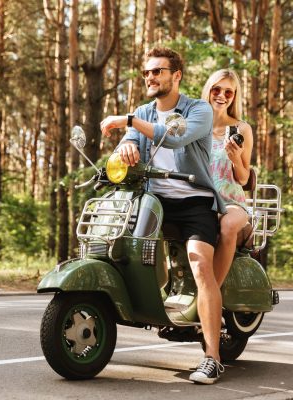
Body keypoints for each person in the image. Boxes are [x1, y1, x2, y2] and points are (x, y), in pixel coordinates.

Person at [100, 47, 226, 384]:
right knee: (114, 244)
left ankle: (212, 357)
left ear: (176, 75)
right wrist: (124, 146)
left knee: (200, 263)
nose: (151, 77)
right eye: (147, 73)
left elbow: (175, 136)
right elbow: (128, 141)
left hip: (194, 201)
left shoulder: (198, 109)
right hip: (152, 201)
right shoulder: (142, 110)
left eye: (158, 71)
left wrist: (129, 121)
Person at [202, 70, 253, 286]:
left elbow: (242, 179)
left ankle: (211, 294)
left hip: (231, 202)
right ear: (208, 91)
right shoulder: (196, 126)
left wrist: (235, 158)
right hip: (201, 200)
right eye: (216, 89)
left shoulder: (240, 129)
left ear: (234, 97)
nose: (221, 95)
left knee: (229, 226)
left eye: (228, 92)